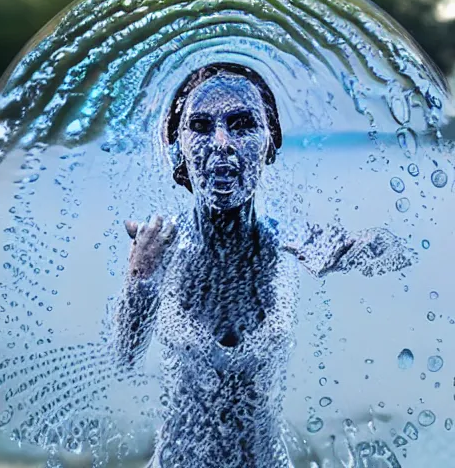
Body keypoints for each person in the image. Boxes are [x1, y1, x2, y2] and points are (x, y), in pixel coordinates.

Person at [112, 63, 416, 468]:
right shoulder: (160, 248)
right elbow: (124, 359)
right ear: (178, 146)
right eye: (201, 127)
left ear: (270, 142)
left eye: (241, 124)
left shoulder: (288, 241)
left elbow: (404, 255)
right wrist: (139, 278)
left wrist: (357, 248)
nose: (221, 143)